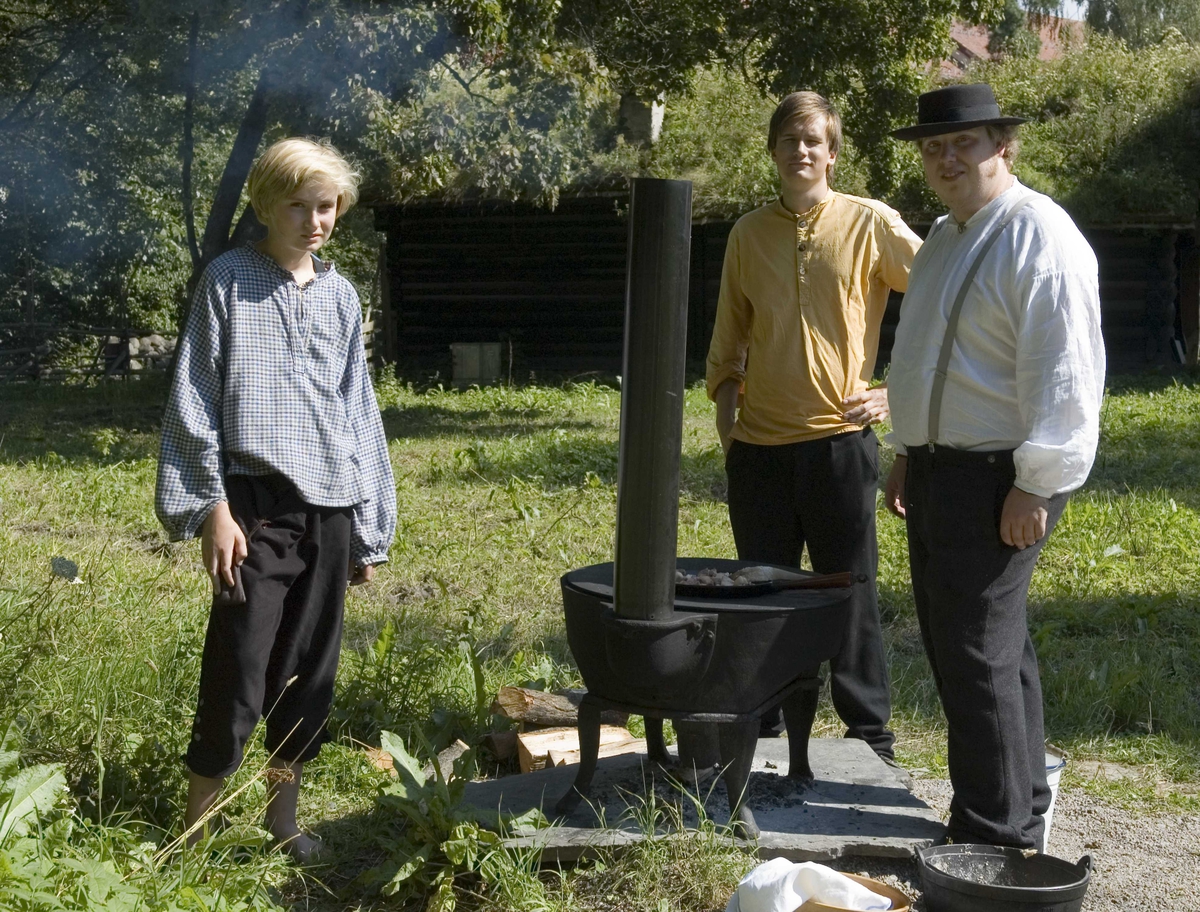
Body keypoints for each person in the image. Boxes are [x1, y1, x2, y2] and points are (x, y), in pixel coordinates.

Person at [155, 137, 396, 861]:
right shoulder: (228, 281)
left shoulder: (342, 296)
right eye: (298, 205)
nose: (314, 219)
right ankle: (196, 831)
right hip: (253, 506)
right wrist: (212, 509)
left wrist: (367, 527)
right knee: (239, 665)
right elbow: (193, 399)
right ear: (265, 203)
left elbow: (358, 411)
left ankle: (280, 819)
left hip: (329, 509)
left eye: (327, 207)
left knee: (309, 672)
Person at [884, 83, 1105, 848]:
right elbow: (920, 356)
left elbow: (1067, 374)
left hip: (1003, 479)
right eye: (934, 148)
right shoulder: (946, 235)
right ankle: (1025, 800)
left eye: (964, 144)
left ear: (1002, 146)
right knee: (980, 649)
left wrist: (1036, 484)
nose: (946, 159)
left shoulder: (1040, 236)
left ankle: (993, 834)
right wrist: (906, 449)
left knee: (975, 653)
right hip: (940, 470)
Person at [706, 91, 922, 762]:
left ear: (832, 152)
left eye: (814, 141)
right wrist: (728, 422)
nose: (801, 151)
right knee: (763, 594)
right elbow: (728, 337)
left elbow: (944, 298)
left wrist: (897, 392)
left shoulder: (869, 223)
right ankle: (764, 726)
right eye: (789, 140)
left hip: (838, 443)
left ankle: (870, 737)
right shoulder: (748, 233)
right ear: (773, 150)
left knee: (848, 594)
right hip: (761, 450)